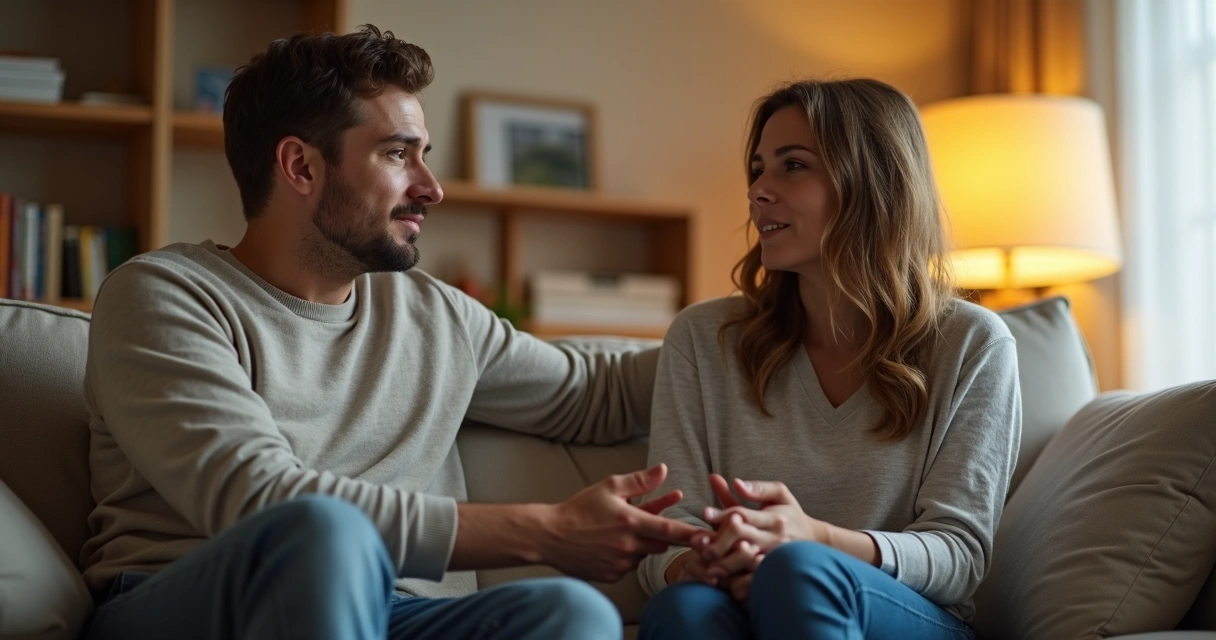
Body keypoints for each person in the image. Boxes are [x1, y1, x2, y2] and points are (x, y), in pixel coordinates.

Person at [79, 25, 701, 640]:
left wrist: (769, 314)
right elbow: (264, 502)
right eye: (398, 154)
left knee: (573, 614)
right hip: (196, 602)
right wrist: (544, 530)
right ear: (300, 166)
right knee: (324, 534)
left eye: (423, 154)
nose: (431, 187)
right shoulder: (164, 296)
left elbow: (595, 394)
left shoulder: (433, 313)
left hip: (395, 611)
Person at [636, 78, 1022, 640]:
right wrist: (698, 560)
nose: (758, 190)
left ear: (874, 183)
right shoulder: (702, 338)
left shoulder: (974, 344)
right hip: (740, 603)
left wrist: (814, 541)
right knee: (682, 609)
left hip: (905, 617)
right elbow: (670, 526)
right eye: (757, 168)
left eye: (792, 166)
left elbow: (958, 555)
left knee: (799, 573)